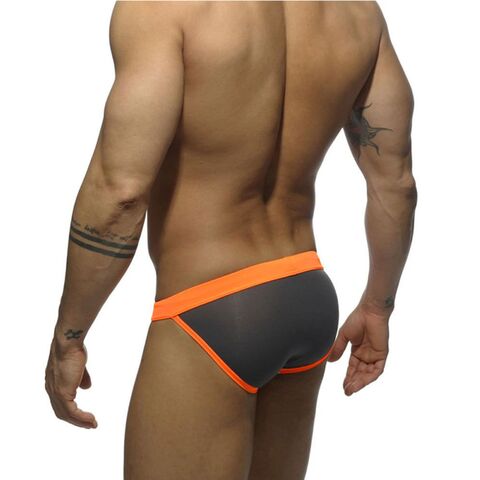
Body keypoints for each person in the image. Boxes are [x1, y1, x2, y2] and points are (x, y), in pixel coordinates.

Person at [44, 2, 417, 479]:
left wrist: (70, 336)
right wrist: (378, 307)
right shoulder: (357, 13)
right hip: (306, 292)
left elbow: (121, 192)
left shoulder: (163, 9)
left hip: (209, 306)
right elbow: (396, 184)